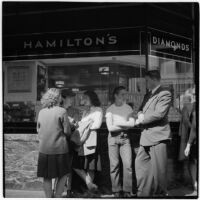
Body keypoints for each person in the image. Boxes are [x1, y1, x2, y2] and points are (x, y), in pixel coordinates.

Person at [135, 70, 172, 197]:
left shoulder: (164, 93)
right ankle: (143, 194)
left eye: (146, 80)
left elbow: (159, 113)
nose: (145, 83)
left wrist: (142, 119)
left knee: (159, 173)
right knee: (140, 166)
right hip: (145, 136)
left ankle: (161, 195)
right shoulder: (148, 95)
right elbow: (140, 109)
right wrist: (140, 114)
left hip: (158, 137)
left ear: (154, 79)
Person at [37, 88, 71, 198]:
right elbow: (67, 132)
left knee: (46, 177)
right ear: (58, 97)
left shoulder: (41, 112)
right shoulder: (62, 111)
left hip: (44, 149)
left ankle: (48, 198)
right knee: (63, 174)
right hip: (59, 149)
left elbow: (38, 129)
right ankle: (57, 196)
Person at [105, 86, 135, 198]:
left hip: (125, 138)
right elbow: (110, 128)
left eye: (125, 94)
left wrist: (116, 124)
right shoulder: (110, 109)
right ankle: (116, 190)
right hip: (112, 138)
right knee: (114, 165)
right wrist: (124, 124)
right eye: (122, 94)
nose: (124, 96)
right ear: (116, 95)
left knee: (128, 165)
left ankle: (127, 190)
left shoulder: (128, 108)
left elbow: (132, 124)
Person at [72, 90, 103, 193]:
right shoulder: (85, 111)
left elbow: (97, 125)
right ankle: (89, 184)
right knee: (76, 165)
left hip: (92, 140)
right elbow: (83, 124)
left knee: (90, 166)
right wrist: (84, 124)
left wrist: (86, 125)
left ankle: (89, 192)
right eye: (83, 98)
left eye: (85, 98)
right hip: (83, 141)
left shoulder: (98, 110)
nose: (83, 100)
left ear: (91, 98)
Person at [184, 102, 197, 195]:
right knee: (193, 161)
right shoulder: (193, 106)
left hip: (194, 140)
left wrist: (188, 144)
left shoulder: (194, 106)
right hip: (194, 140)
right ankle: (195, 183)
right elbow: (193, 126)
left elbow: (194, 127)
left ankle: (195, 184)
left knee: (193, 161)